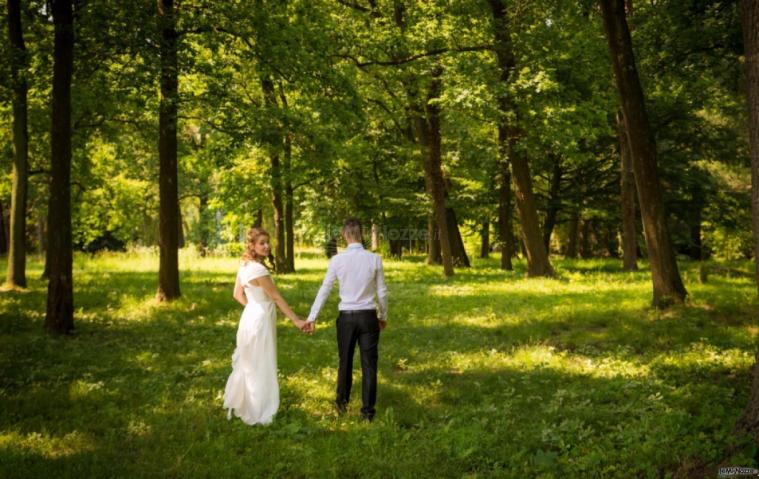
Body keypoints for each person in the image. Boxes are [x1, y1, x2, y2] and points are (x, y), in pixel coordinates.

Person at [305, 218, 389, 421]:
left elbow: (325, 289)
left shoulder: (337, 261)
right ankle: (368, 413)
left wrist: (312, 317)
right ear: (362, 235)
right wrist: (382, 316)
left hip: (347, 319)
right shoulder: (374, 259)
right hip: (369, 317)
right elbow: (382, 292)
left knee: (345, 361)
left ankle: (341, 404)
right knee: (369, 364)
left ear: (344, 235)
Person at [223, 227, 307, 425]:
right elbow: (276, 297)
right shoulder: (259, 269)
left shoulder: (244, 265)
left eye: (268, 242)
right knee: (261, 362)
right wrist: (296, 320)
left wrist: (254, 308)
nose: (267, 246)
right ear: (251, 245)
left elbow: (237, 295)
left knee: (251, 362)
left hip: (250, 316)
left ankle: (248, 404)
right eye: (262, 243)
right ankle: (260, 410)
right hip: (260, 319)